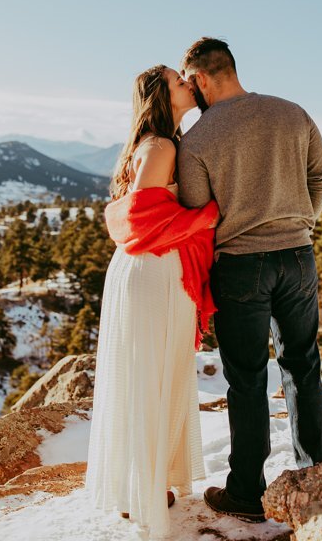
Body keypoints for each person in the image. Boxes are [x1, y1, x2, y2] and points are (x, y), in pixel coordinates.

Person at [178, 37, 322, 525]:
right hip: (298, 256)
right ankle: (320, 480)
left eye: (190, 83)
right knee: (303, 366)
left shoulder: (198, 140)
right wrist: (299, 223)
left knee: (246, 380)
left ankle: (246, 493)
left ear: (201, 79)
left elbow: (198, 213)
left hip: (241, 265)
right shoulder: (293, 113)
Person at [85, 64, 217, 539]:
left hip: (145, 271)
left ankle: (139, 483)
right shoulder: (161, 146)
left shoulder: (157, 143)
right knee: (154, 375)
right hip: (155, 271)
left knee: (145, 375)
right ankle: (143, 488)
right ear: (161, 95)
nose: (188, 82)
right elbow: (141, 220)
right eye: (177, 80)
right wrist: (208, 217)